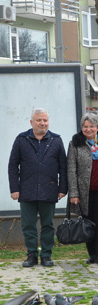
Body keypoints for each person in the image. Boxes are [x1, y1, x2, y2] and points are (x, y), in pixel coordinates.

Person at [8, 108, 67, 268]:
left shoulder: (56, 140)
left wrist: (63, 188)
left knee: (48, 225)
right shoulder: (22, 139)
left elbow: (63, 166)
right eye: (39, 120)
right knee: (28, 225)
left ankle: (46, 256)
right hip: (26, 190)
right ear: (31, 122)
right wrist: (14, 188)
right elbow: (13, 165)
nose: (42, 123)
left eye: (45, 120)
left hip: (49, 189)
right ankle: (32, 255)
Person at [67, 113, 98, 266]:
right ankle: (92, 254)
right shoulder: (75, 144)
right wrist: (74, 193)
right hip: (84, 191)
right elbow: (71, 169)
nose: (88, 129)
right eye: (85, 126)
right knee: (87, 222)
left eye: (91, 126)